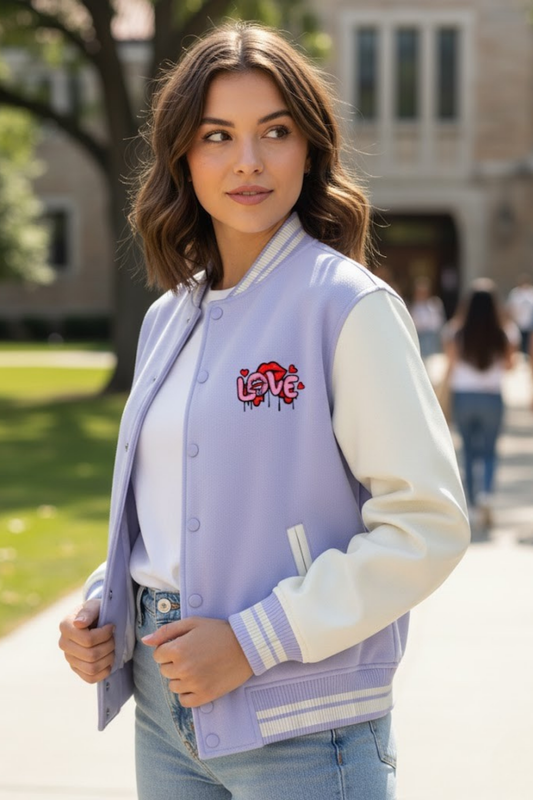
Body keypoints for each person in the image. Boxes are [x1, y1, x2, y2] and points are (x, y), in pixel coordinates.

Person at [58, 23, 469, 800]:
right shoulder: (166, 319)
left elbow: (428, 527)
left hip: (304, 728)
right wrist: (101, 606)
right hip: (162, 705)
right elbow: (177, 512)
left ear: (309, 150)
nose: (247, 161)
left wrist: (252, 642)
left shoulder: (348, 307)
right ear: (183, 154)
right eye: (218, 136)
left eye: (273, 132)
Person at [443, 279, 517, 527]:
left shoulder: (455, 332)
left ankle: (473, 504)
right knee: (489, 450)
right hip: (491, 397)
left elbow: (450, 367)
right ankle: (486, 492)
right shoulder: (505, 333)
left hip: (463, 397)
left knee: (469, 451)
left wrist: (441, 396)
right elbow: (509, 366)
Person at [409, 276, 446, 360]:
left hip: (433, 340)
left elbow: (438, 323)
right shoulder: (413, 307)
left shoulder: (435, 304)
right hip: (420, 339)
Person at [506, 273, 533, 357]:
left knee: (528, 343)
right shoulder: (515, 293)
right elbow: (510, 307)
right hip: (517, 322)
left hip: (529, 323)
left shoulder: (531, 293)